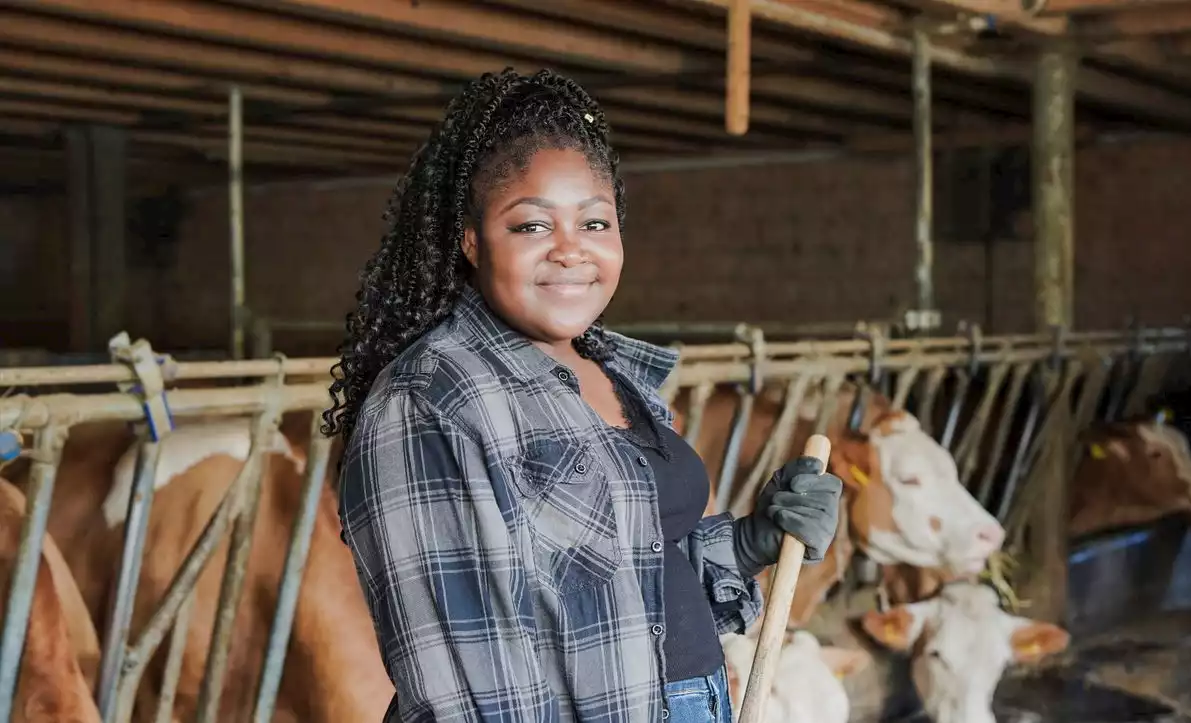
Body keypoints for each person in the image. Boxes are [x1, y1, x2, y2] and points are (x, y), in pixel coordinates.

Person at [325, 67, 843, 723]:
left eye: (594, 223)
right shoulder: (430, 400)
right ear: (472, 241)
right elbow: (466, 686)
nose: (572, 251)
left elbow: (630, 580)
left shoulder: (610, 366)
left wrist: (749, 542)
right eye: (532, 226)